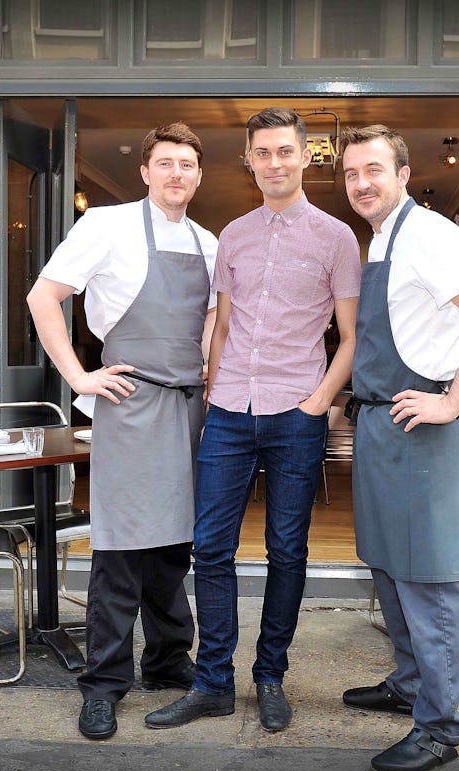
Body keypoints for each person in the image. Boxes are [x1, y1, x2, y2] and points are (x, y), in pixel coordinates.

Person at [145, 107, 361, 733]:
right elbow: (224, 325)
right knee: (210, 548)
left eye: (285, 151)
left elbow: (351, 336)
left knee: (287, 551)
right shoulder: (232, 236)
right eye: (262, 152)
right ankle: (213, 681)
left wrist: (319, 401)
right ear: (249, 160)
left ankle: (270, 675)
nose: (274, 162)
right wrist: (215, 393)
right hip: (232, 413)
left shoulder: (337, 237)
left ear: (305, 157)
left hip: (297, 412)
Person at [26, 122, 218, 741]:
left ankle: (167, 662)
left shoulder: (209, 243)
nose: (177, 174)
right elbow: (42, 296)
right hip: (130, 404)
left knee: (172, 547)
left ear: (199, 174)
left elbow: (211, 325)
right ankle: (104, 683)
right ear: (145, 171)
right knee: (120, 551)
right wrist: (79, 376)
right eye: (165, 163)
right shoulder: (105, 225)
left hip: (190, 406)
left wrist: (213, 381)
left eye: (187, 164)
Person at [337, 125, 459, 771]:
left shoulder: (431, 233)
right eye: (352, 173)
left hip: (424, 429)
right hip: (383, 425)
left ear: (403, 174)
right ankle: (408, 682)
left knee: (429, 580)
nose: (361, 183)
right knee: (387, 565)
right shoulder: (383, 239)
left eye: (374, 169)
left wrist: (450, 399)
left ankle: (439, 726)